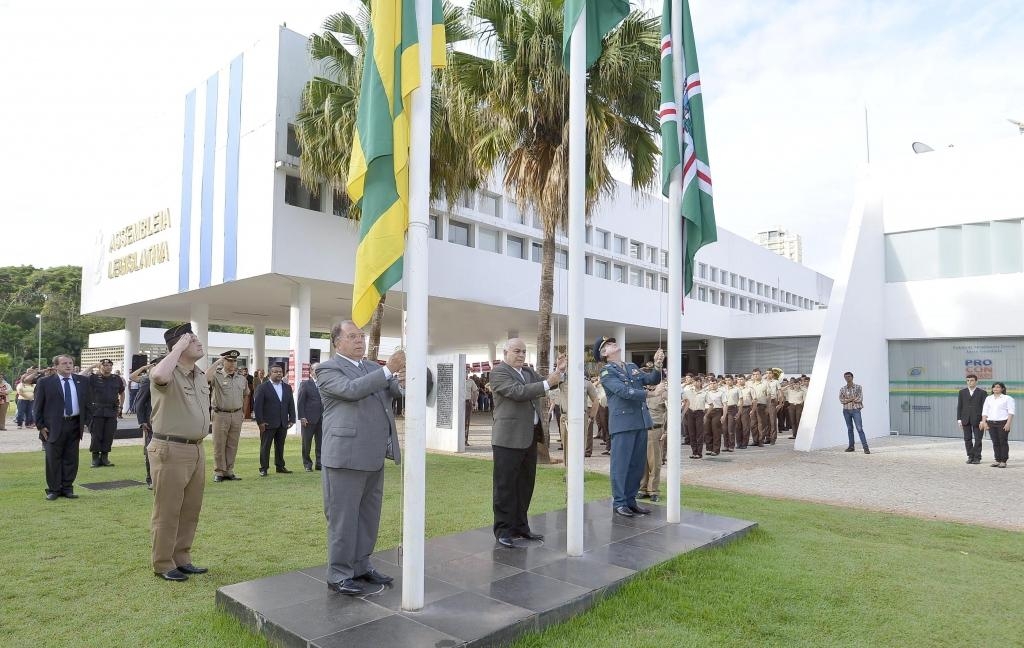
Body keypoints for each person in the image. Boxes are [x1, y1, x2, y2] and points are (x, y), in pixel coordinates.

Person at [318, 320, 404, 595]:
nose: (360, 340)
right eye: (352, 336)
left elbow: (394, 394)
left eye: (362, 336)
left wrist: (404, 378)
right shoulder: (326, 369)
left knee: (368, 516)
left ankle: (361, 566)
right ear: (337, 342)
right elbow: (351, 390)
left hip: (373, 454)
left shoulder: (371, 368)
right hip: (345, 456)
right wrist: (388, 369)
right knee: (343, 518)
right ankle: (339, 573)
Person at [147, 323, 211, 581]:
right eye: (193, 340)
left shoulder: (197, 374)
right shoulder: (167, 371)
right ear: (178, 346)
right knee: (168, 509)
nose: (199, 343)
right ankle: (163, 563)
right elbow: (159, 377)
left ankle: (182, 557)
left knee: (190, 508)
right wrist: (178, 348)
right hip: (170, 448)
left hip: (196, 449)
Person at [489, 338, 563, 547]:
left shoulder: (529, 372)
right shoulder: (499, 372)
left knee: (525, 484)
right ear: (505, 353)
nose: (521, 355)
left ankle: (521, 527)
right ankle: (503, 530)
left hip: (529, 437)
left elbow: (549, 381)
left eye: (523, 351)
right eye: (516, 351)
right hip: (508, 438)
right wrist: (549, 382)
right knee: (505, 487)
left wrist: (560, 371)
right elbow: (518, 392)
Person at [597, 336, 664, 517]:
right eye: (608, 345)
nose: (613, 344)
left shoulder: (631, 367)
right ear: (604, 353)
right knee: (621, 465)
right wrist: (650, 394)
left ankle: (630, 500)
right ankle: (619, 502)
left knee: (637, 464)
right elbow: (623, 391)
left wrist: (657, 365)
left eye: (612, 342)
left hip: (640, 421)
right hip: (623, 423)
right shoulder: (606, 372)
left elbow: (651, 378)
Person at [34, 355, 90, 500]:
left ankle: (67, 488)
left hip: (74, 424)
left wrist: (86, 422)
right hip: (53, 426)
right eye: (64, 363)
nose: (68, 365)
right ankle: (53, 489)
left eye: (70, 363)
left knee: (71, 458)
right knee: (53, 459)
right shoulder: (45, 382)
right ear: (56, 366)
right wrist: (40, 426)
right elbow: (37, 407)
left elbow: (87, 403)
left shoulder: (82, 381)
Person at [208, 350, 249, 482]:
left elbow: (246, 395)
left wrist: (243, 411)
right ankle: (219, 471)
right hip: (220, 414)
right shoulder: (217, 376)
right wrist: (218, 361)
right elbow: (205, 378)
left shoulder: (241, 378)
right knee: (219, 444)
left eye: (234, 361)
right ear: (224, 361)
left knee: (232, 444)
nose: (232, 363)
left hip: (236, 414)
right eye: (229, 360)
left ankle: (229, 470)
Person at [80, 359, 125, 467]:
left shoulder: (116, 378)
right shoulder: (93, 378)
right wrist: (92, 366)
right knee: (96, 436)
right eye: (104, 365)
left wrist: (121, 407)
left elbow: (122, 393)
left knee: (109, 435)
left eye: (110, 365)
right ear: (100, 366)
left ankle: (105, 458)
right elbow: (80, 376)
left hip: (111, 411)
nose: (107, 367)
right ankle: (95, 458)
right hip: (96, 411)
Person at [253, 363, 296, 476]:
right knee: (265, 446)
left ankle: (280, 466)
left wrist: (292, 418)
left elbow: (290, 404)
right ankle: (264, 468)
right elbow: (257, 406)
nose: (279, 374)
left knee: (280, 446)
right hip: (267, 423)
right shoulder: (262, 387)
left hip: (283, 422)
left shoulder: (287, 387)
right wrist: (260, 422)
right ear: (270, 373)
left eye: (280, 372)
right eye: (276, 372)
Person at [639, 380, 667, 502]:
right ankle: (642, 488)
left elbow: (672, 412)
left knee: (654, 462)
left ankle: (653, 490)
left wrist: (667, 431)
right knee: (642, 461)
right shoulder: (642, 393)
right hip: (641, 430)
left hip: (655, 429)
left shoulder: (663, 393)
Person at [131, 361, 156, 489]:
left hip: (167, 421)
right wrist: (142, 421)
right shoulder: (147, 380)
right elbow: (139, 403)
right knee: (150, 451)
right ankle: (150, 478)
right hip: (151, 422)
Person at [297, 363, 324, 471]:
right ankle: (307, 464)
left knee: (321, 443)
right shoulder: (305, 384)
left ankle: (319, 463)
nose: (318, 372)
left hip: (322, 418)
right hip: (308, 419)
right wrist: (302, 417)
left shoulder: (325, 384)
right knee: (306, 443)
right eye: (316, 370)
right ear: (311, 371)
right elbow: (300, 402)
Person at [981, 382, 1014, 468]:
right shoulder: (989, 398)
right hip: (991, 423)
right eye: (994, 387)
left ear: (1002, 389)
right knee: (995, 442)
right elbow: (985, 411)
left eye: (998, 387)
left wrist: (1008, 423)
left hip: (1002, 423)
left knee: (1002, 442)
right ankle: (997, 460)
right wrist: (984, 422)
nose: (995, 388)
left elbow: (1011, 412)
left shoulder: (1007, 398)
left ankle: (1003, 461)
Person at [957, 374, 987, 465]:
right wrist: (959, 419)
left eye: (972, 380)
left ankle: (977, 457)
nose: (970, 382)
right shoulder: (962, 392)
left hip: (978, 419)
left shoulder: (982, 392)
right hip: (965, 419)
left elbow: (985, 407)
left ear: (976, 381)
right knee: (967, 439)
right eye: (968, 380)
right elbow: (960, 406)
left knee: (978, 439)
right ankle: (970, 456)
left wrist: (983, 420)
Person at [839, 371, 869, 454]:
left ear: (852, 377)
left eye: (849, 376)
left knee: (859, 428)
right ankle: (851, 447)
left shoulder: (858, 387)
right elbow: (841, 400)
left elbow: (860, 399)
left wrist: (847, 400)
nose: (847, 378)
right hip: (846, 411)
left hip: (856, 410)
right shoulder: (842, 389)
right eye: (845, 377)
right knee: (849, 429)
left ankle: (865, 447)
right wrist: (851, 399)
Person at [465, 372, 479, 445]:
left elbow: (475, 391)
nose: (465, 374)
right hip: (458, 403)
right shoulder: (457, 379)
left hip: (467, 403)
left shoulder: (471, 381)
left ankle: (465, 440)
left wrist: (474, 402)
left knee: (466, 422)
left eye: (466, 373)